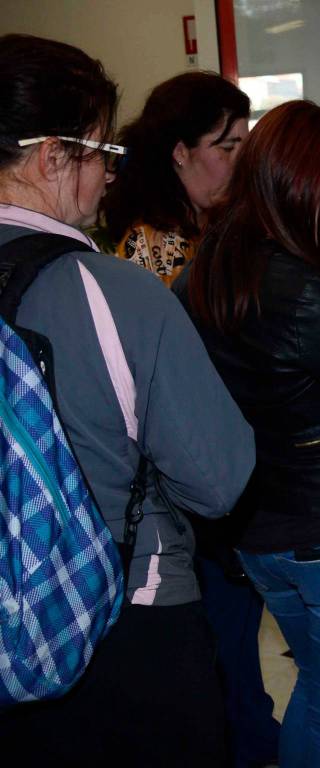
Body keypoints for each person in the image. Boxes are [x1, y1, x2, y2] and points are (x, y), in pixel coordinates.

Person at [0, 34, 254, 766]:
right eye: (102, 154)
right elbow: (218, 481)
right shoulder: (111, 290)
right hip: (121, 620)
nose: (111, 177)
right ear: (52, 156)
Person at [177, 100, 320, 768]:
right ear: (306, 183)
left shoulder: (202, 273)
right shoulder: (302, 289)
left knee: (318, 689)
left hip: (257, 533)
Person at [103, 71, 278, 768]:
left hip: (212, 464)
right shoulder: (152, 247)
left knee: (233, 643)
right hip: (184, 482)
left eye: (244, 143)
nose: (238, 159)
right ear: (179, 152)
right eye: (224, 144)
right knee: (221, 646)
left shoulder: (204, 230)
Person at [104, 72, 250, 287]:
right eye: (227, 148)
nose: (241, 163)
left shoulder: (213, 225)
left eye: (244, 149)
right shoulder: (152, 247)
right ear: (180, 152)